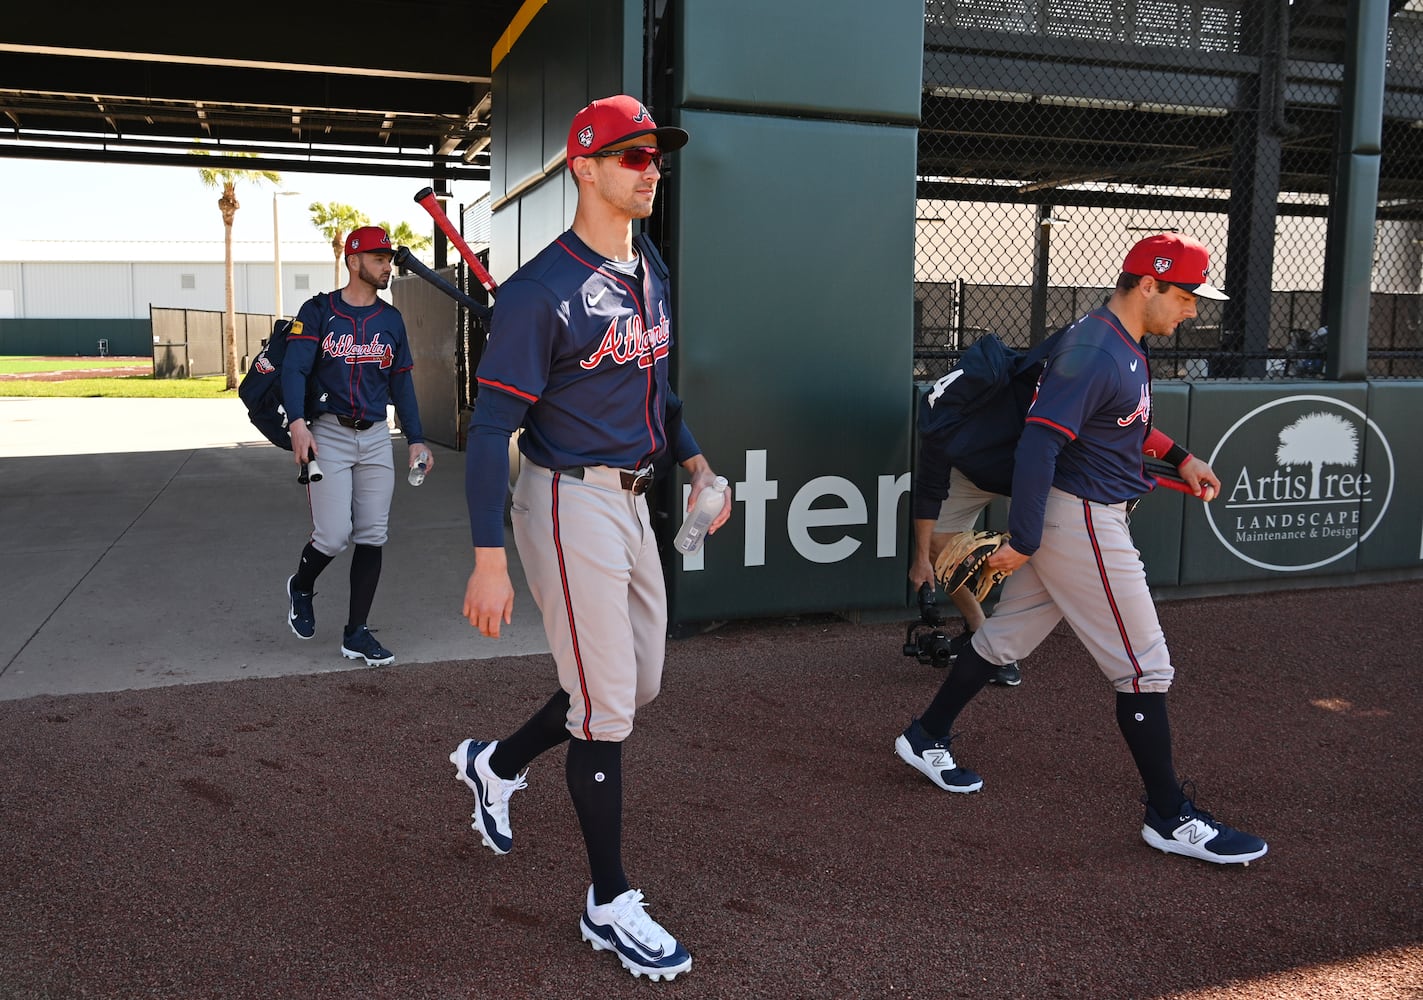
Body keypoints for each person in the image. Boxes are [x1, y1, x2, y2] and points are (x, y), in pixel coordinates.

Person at [452, 95, 730, 982]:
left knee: (631, 684)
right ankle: (607, 903)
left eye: (654, 155)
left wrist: (693, 464)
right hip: (566, 500)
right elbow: (491, 429)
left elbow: (659, 393)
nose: (649, 169)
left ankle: (495, 764)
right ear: (583, 166)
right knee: (606, 709)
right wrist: (487, 557)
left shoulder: (646, 262)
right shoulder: (540, 292)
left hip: (635, 497)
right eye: (629, 156)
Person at [894, 233, 1268, 866]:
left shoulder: (1118, 342)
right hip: (1083, 522)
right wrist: (1025, 540)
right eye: (1185, 295)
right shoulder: (1095, 348)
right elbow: (1039, 444)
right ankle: (1169, 817)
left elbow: (1124, 421)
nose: (1193, 310)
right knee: (1145, 666)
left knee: (1004, 638)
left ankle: (925, 735)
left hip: (1086, 514)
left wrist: (1181, 457)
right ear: (1147, 284)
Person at [281, 225, 434, 667]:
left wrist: (417, 438)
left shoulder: (391, 320)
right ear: (353, 261)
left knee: (372, 534)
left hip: (374, 436)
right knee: (332, 535)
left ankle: (356, 633)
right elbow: (294, 369)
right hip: (328, 432)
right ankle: (302, 585)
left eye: (388, 258)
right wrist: (297, 424)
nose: (387, 265)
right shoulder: (317, 311)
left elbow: (401, 381)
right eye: (378, 258)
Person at [908, 469, 1020, 686]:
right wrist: (922, 558)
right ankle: (977, 630)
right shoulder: (944, 437)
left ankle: (1003, 649)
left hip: (1027, 467)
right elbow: (929, 486)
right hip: (971, 468)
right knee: (934, 542)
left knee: (1030, 553)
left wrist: (1021, 539)